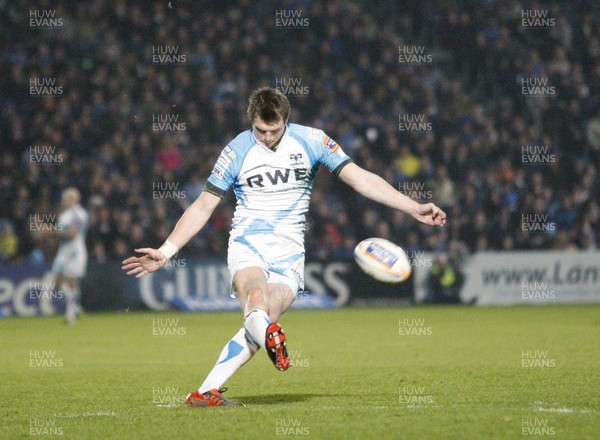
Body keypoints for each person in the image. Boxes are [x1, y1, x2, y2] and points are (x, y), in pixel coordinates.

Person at [122, 87, 447, 407]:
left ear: (286, 121)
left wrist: (412, 207)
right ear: (251, 121)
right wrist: (166, 251)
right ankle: (249, 358)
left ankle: (205, 392)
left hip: (290, 252)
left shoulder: (313, 141)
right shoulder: (236, 150)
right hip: (248, 243)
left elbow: (360, 178)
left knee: (264, 322)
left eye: (273, 130)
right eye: (260, 130)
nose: (265, 137)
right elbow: (204, 206)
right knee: (256, 301)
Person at [50, 188, 89, 324]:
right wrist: (53, 233)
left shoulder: (79, 214)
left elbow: (73, 234)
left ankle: (71, 315)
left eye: (66, 199)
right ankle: (76, 308)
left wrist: (52, 232)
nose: (63, 201)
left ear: (74, 199)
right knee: (58, 282)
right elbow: (60, 234)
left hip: (75, 252)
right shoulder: (64, 215)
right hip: (63, 251)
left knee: (69, 280)